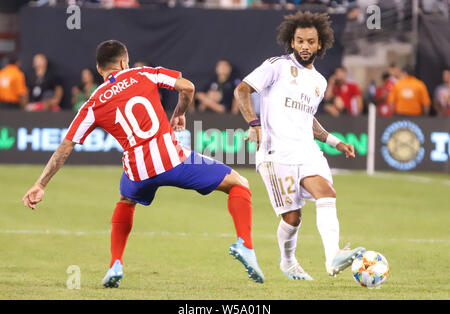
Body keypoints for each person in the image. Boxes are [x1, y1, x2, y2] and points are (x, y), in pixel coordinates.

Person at [22, 40, 265, 287]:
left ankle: (115, 264)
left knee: (126, 200)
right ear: (123, 62)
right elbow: (188, 87)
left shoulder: (92, 104)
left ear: (99, 69)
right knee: (239, 183)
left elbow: (66, 146)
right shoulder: (143, 73)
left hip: (138, 171)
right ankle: (245, 244)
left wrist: (40, 184)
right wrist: (180, 112)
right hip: (173, 159)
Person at [234, 11, 365, 281]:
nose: (305, 46)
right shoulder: (276, 66)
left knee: (327, 193)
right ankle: (288, 261)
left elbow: (308, 119)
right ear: (292, 42)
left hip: (306, 151)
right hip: (275, 153)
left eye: (311, 41)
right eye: (300, 41)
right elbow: (242, 90)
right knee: (292, 219)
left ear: (320, 44)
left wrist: (334, 141)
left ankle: (333, 257)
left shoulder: (319, 81)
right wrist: (254, 124)